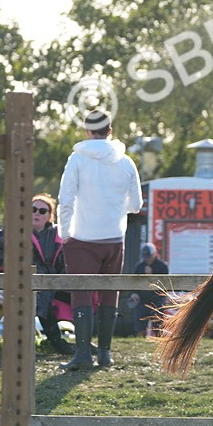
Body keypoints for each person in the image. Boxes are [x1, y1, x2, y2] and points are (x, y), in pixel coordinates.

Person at [57, 110, 143, 370]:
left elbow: (66, 198)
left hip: (82, 237)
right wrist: (114, 208)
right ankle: (105, 353)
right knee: (109, 294)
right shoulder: (126, 161)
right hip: (115, 237)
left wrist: (65, 233)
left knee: (81, 294)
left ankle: (83, 353)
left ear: (87, 131)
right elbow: (137, 205)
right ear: (110, 130)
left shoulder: (77, 160)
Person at [0, 194, 75, 355]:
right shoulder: (13, 231)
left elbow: (65, 262)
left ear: (49, 216)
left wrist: (64, 281)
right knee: (39, 296)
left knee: (85, 294)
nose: (36, 213)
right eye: (32, 209)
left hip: (52, 284)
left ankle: (83, 343)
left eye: (42, 211)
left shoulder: (59, 235)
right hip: (21, 283)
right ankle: (56, 342)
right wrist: (6, 267)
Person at [133, 242, 169, 337]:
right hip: (142, 299)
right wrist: (134, 293)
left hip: (157, 298)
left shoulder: (162, 266)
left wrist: (151, 275)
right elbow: (134, 282)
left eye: (149, 256)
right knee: (140, 325)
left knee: (158, 325)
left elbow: (165, 284)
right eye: (145, 257)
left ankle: (159, 341)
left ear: (154, 254)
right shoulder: (139, 266)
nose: (147, 259)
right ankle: (140, 341)